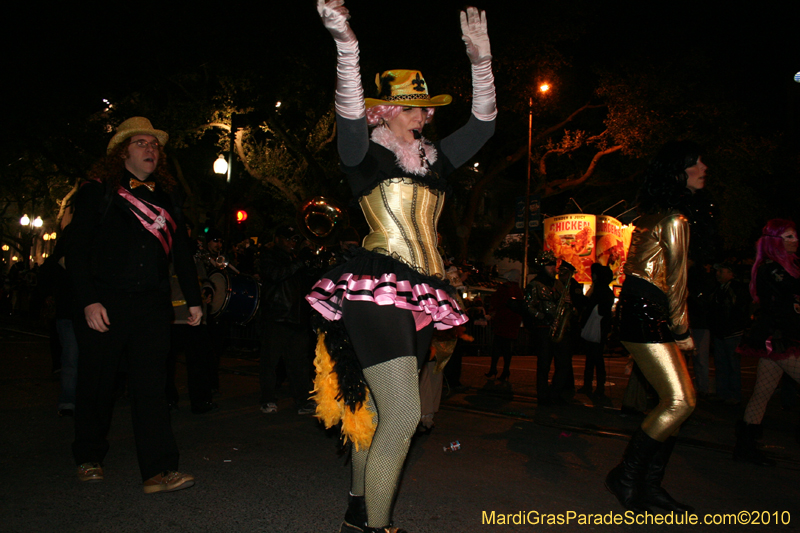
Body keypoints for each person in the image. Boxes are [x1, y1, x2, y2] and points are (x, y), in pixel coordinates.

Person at [307, 2, 496, 531]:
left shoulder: (435, 160)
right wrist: (346, 45)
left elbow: (484, 124)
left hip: (420, 295)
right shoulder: (363, 154)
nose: (424, 114)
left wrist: (481, 61)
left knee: (376, 414)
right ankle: (375, 527)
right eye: (410, 107)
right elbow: (347, 112)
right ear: (383, 111)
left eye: (426, 108)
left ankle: (356, 511)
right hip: (375, 289)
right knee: (404, 417)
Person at [66, 117, 201, 494]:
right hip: (104, 304)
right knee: (97, 384)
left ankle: (159, 471)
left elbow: (182, 254)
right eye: (141, 143)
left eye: (155, 145)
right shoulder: (98, 192)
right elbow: (76, 251)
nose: (150, 150)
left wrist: (192, 300)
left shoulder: (168, 198)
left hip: (151, 307)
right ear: (123, 151)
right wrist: (89, 301)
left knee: (152, 389)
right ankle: (89, 456)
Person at [607, 140, 706, 513]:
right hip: (651, 313)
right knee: (681, 402)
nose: (704, 167)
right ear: (679, 172)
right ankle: (627, 478)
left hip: (638, 310)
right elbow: (677, 281)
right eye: (697, 161)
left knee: (671, 402)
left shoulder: (652, 216)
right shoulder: (674, 220)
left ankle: (648, 485)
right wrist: (682, 331)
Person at [733, 219, 800, 466]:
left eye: (795, 236)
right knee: (762, 393)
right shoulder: (771, 268)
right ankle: (745, 446)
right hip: (778, 338)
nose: (795, 241)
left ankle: (745, 447)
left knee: (762, 393)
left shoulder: (786, 266)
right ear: (775, 241)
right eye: (789, 237)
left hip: (781, 336)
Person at [257, 224, 316, 415]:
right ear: (277, 239)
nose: (292, 243)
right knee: (270, 362)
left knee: (299, 363)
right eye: (288, 239)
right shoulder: (269, 256)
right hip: (276, 316)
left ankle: (302, 401)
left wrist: (311, 262)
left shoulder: (296, 259)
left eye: (294, 240)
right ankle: (267, 400)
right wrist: (300, 263)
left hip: (297, 318)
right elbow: (275, 275)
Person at [526, 252, 574, 405]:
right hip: (543, 328)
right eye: (550, 265)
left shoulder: (559, 284)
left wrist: (568, 302)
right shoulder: (534, 285)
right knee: (544, 364)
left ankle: (555, 393)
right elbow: (528, 306)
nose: (554, 268)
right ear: (543, 267)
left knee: (564, 364)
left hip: (559, 327)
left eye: (554, 265)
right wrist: (542, 317)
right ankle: (543, 395)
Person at [707, 262, 750, 404]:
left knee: (731, 364)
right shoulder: (718, 289)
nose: (718, 274)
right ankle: (724, 392)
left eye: (722, 271)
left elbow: (738, 310)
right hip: (722, 331)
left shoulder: (735, 289)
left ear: (731, 274)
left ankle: (733, 394)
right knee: (722, 364)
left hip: (731, 332)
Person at [577, 263, 614, 399]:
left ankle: (591, 386)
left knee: (593, 359)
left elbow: (587, 305)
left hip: (595, 327)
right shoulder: (607, 292)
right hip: (601, 329)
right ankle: (598, 387)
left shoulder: (597, 290)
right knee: (597, 359)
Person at [485, 270, 524, 381]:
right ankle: (505, 370)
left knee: (497, 347)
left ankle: (494, 369)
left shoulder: (505, 288)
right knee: (507, 349)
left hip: (502, 320)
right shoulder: (519, 290)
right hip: (513, 321)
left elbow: (495, 300)